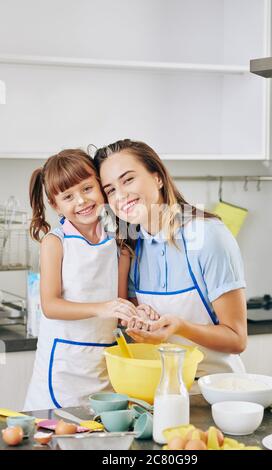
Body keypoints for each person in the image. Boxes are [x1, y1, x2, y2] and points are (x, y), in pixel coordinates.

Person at [94, 139, 248, 376]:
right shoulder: (131, 247)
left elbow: (237, 339)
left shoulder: (208, 235)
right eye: (110, 190)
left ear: (157, 177)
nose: (120, 195)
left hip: (215, 391)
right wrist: (140, 320)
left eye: (128, 180)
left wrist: (180, 327)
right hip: (157, 390)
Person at [24, 149, 136, 411]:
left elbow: (118, 308)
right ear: (55, 204)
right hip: (62, 368)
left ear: (100, 187)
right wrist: (102, 308)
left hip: (103, 365)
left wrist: (134, 314)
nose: (82, 200)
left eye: (87, 188)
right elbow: (51, 306)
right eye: (68, 196)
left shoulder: (118, 244)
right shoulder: (55, 242)